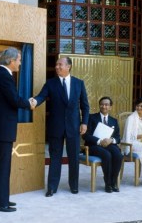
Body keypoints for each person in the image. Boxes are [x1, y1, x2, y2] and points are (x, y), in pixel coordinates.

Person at [0, 47, 35, 212]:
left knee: (3, 165)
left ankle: (2, 199)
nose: (20, 63)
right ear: (11, 61)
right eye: (19, 60)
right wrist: (29, 104)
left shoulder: (2, 75)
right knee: (3, 166)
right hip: (2, 129)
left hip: (1, 128)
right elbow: (14, 100)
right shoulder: (4, 76)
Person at [31, 57, 90, 197]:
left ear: (68, 66)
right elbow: (41, 97)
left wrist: (84, 123)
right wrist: (34, 101)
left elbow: (85, 106)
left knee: (73, 157)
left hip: (74, 127)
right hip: (55, 127)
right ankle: (52, 187)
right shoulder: (51, 83)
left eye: (60, 64)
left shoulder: (78, 83)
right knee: (55, 157)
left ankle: (74, 185)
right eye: (56, 64)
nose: (56, 67)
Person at [82, 96, 123, 193]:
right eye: (102, 104)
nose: (104, 106)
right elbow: (85, 135)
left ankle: (113, 182)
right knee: (106, 155)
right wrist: (99, 141)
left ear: (110, 107)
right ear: (99, 105)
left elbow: (117, 137)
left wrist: (111, 140)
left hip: (109, 145)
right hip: (93, 146)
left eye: (106, 105)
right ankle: (108, 184)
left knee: (118, 155)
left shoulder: (114, 121)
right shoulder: (91, 118)